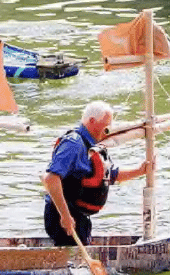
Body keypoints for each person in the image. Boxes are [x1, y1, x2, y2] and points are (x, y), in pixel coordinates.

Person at [42, 101, 149, 246]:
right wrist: (65, 216)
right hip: (63, 216)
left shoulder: (95, 146)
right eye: (106, 125)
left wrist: (140, 171)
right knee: (73, 260)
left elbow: (110, 175)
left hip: (79, 216)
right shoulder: (73, 143)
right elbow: (51, 179)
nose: (109, 130)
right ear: (92, 121)